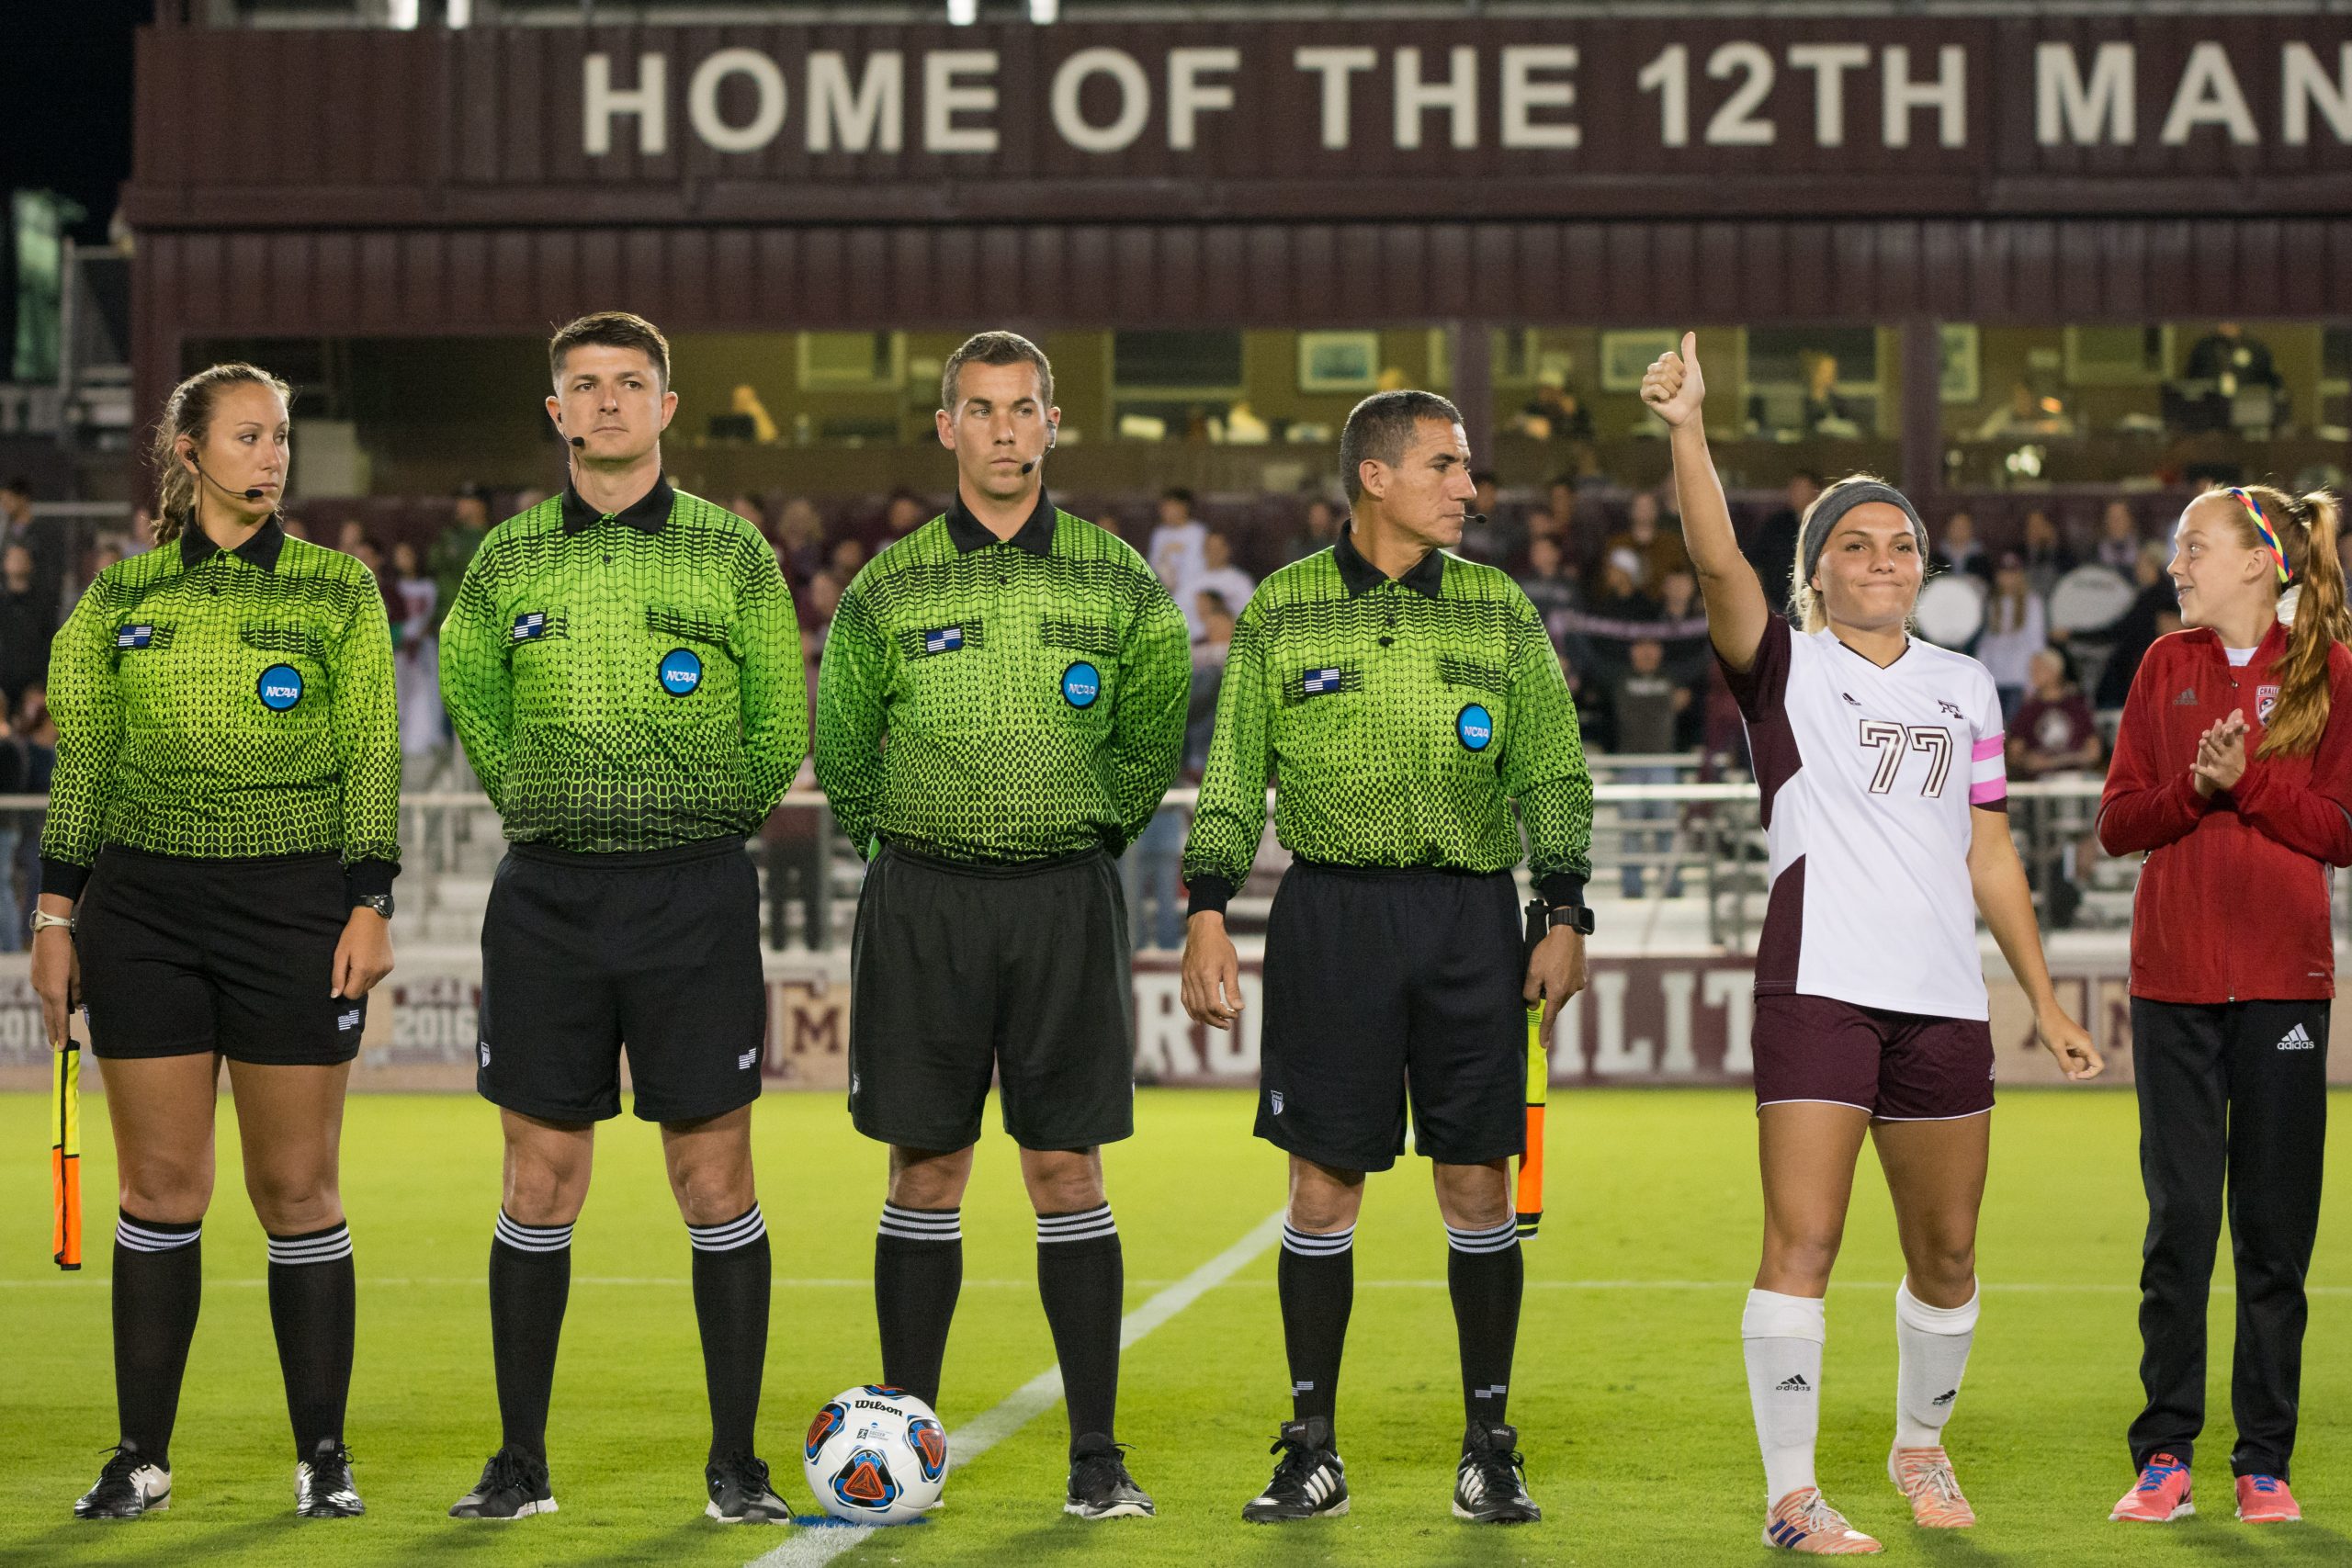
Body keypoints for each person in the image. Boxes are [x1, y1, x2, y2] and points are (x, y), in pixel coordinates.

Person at [1641, 334, 2100, 1553]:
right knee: (1803, 1237)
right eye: (1857, 543)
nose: (1884, 558)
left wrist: (2045, 999)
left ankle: (1918, 1444)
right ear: (1820, 573)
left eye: (1901, 543)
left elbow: (1990, 850)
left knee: (1946, 1251)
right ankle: (1791, 1496)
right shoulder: (1783, 668)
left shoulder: (1968, 685)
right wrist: (1689, 430)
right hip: (1819, 985)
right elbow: (1712, 557)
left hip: (1945, 995)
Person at [1180, 388, 1595, 1528]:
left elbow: (1550, 771)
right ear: (1376, 477)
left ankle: (1489, 1445)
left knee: (1476, 1185)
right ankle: (1310, 1444)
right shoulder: (1281, 610)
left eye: (1467, 469)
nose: (1469, 488)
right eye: (1446, 466)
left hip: (1470, 920)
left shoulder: (1501, 610)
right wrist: (1206, 907)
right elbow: (1232, 782)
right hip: (1330, 923)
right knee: (1322, 1190)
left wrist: (1564, 906)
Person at [437, 312, 805, 1526]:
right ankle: (519, 1463)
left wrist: (700, 817)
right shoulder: (504, 563)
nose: (606, 403)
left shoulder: (734, 553)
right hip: (545, 896)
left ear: (665, 405)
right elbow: (473, 703)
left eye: (628, 384)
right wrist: (546, 801)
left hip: (692, 893)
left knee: (714, 1178)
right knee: (539, 1182)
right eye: (585, 386)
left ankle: (734, 1465)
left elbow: (777, 726)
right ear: (556, 412)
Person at [814, 330, 1188, 1521]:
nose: (1005, 428)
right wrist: (909, 848)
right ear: (948, 428)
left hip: (1062, 900)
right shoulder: (890, 583)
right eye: (981, 409)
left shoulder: (1119, 581)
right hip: (923, 900)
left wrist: (1078, 834)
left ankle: (1096, 1455)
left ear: (1052, 423)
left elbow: (1147, 745)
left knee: (1064, 1166)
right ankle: (904, 1433)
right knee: (925, 1167)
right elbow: (842, 752)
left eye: (1024, 408)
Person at [41, 363, 400, 1521]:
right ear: (188, 451)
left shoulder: (338, 592)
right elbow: (83, 771)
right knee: (161, 1188)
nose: (273, 456)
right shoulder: (116, 602)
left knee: (296, 1189)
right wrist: (55, 918)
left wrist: (370, 899)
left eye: (282, 437)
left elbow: (372, 758)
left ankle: (324, 1456)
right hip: (139, 914)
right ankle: (141, 1455)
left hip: (293, 909)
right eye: (249, 436)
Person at [2098, 483, 2352, 1529]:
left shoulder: (2330, 672)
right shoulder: (2164, 665)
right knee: (2181, 1223)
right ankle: (2163, 1456)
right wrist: (2193, 794)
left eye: (2192, 547)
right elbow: (2119, 823)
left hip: (2284, 987)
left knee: (2272, 1232)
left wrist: (2244, 784)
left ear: (2260, 560)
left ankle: (2262, 1464)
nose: (2175, 564)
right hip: (2173, 987)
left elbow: (2340, 830)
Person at [387, 540, 442, 770]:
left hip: (424, 648)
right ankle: (404, 741)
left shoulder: (428, 586)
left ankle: (428, 737)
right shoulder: (394, 588)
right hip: (401, 650)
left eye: (407, 554)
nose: (403, 560)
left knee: (427, 692)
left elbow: (431, 614)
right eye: (399, 555)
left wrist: (421, 631)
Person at [1977, 554, 2048, 721]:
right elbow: (1987, 644)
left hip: (2020, 678)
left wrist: (2033, 683)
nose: (2007, 578)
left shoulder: (2032, 602)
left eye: (2012, 573)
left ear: (2019, 575)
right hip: (1995, 679)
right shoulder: (1992, 602)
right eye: (2004, 573)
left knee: (2015, 728)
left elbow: (2036, 644)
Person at [1751, 471, 1823, 620]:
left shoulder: (1827, 525)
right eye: (1793, 488)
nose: (1795, 493)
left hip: (1817, 608)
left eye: (1801, 489)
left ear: (1816, 491)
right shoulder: (1777, 524)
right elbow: (1755, 561)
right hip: (1778, 607)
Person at [0, 541, 56, 713]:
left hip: (34, 686)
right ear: (4, 564)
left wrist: (41, 685)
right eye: (13, 558)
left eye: (22, 558)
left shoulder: (44, 605)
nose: (18, 562)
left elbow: (51, 645)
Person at [1180, 530, 1255, 639]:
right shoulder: (1190, 584)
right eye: (1210, 549)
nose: (1214, 553)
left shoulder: (1241, 581)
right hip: (1195, 645)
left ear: (1227, 550)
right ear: (1203, 552)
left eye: (1218, 549)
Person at [1147, 486, 1207, 597]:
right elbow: (1153, 563)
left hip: (1191, 590)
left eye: (1168, 507)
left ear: (1184, 507)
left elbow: (1196, 567)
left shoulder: (1197, 533)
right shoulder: (1159, 533)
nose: (1163, 511)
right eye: (1162, 507)